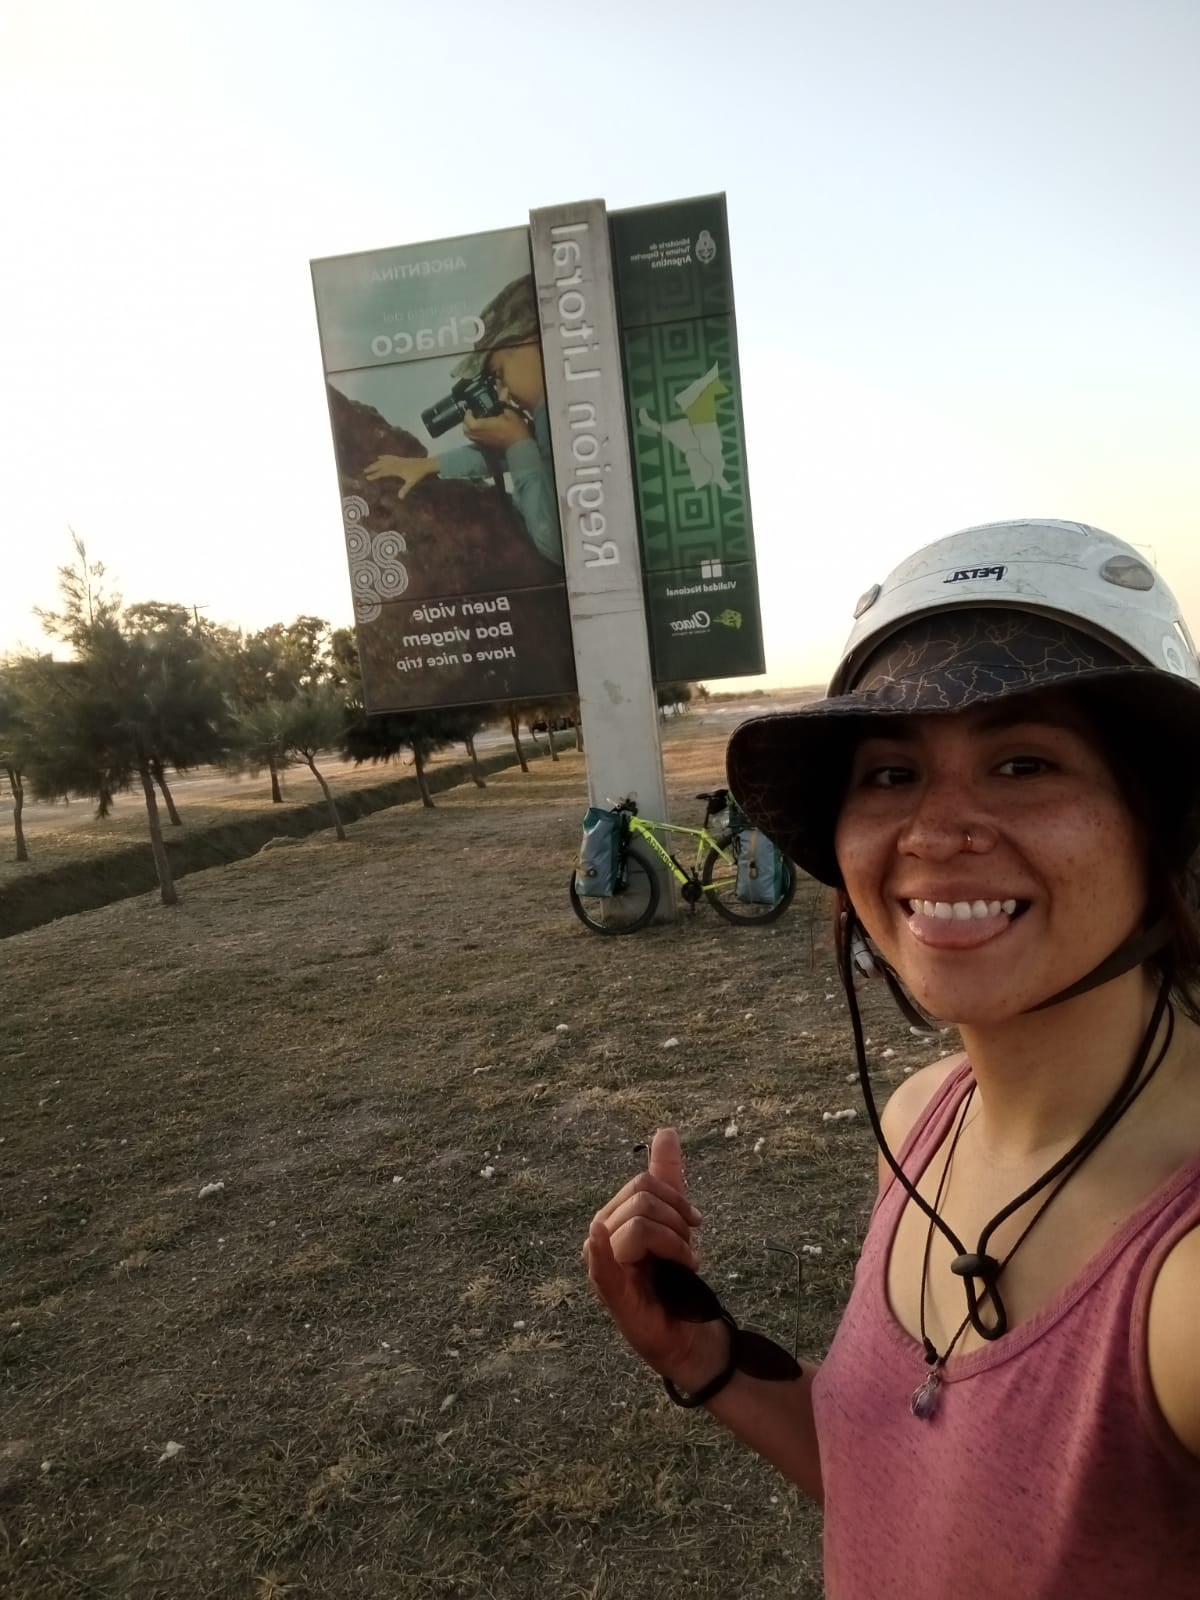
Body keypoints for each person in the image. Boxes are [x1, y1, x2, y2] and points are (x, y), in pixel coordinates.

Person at [584, 519, 1200, 1598]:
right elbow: (919, 1493)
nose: (933, 827)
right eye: (888, 773)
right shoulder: (923, 1120)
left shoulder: (1182, 1281)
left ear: (1163, 822)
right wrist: (707, 1358)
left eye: (1023, 762)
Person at [363, 276, 562, 568]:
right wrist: (430, 465)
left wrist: (517, 444)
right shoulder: (556, 414)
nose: (503, 391)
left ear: (529, 341)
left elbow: (555, 543)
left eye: (499, 373)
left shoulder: (553, 414)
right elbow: (527, 448)